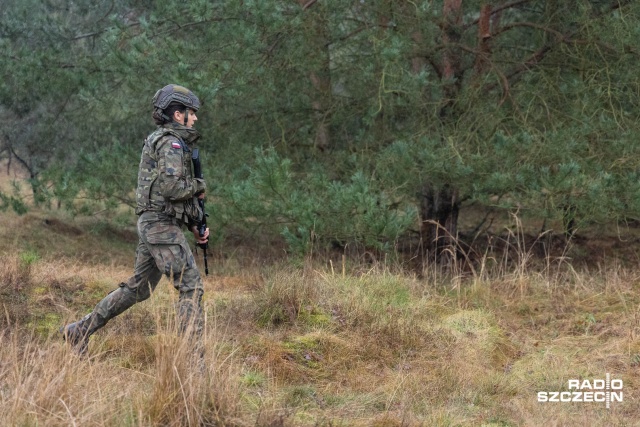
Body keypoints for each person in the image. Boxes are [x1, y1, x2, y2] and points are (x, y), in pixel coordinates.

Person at [61, 84, 209, 355]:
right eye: (192, 112)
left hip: (154, 224)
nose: (195, 118)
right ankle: (193, 367)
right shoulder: (171, 143)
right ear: (178, 115)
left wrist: (194, 225)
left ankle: (78, 331)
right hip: (160, 226)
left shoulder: (165, 141)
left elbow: (166, 194)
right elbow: (171, 189)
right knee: (191, 287)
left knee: (138, 289)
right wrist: (199, 185)